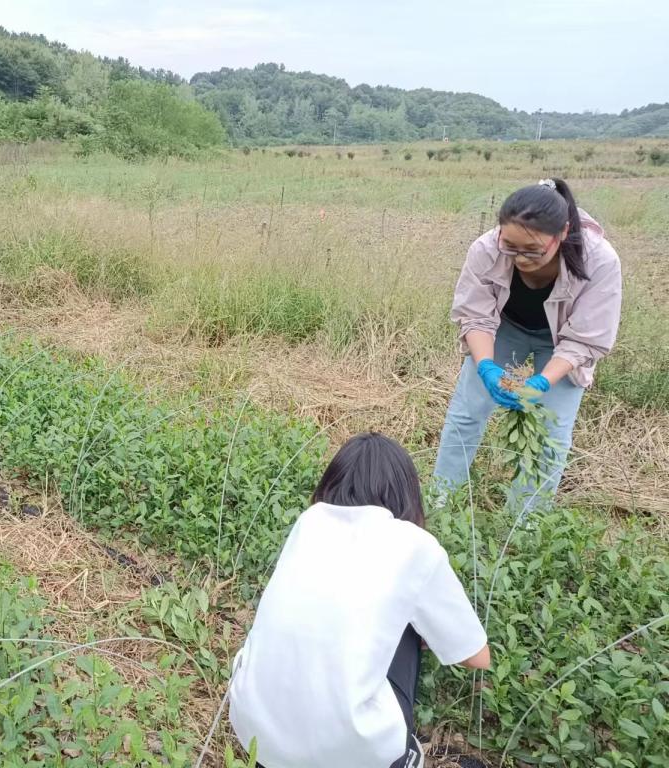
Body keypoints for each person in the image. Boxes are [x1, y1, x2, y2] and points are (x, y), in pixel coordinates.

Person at [229, 432, 490, 768]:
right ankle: (402, 756)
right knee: (408, 624)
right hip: (351, 751)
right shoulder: (414, 545)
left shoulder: (309, 523)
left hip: (256, 733)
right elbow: (476, 657)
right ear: (406, 493)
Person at [434, 178, 622, 511]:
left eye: (533, 250)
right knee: (467, 412)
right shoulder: (486, 248)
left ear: (563, 233)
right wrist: (486, 366)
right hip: (506, 328)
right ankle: (441, 501)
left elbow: (585, 339)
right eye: (510, 246)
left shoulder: (599, 260)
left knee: (551, 430)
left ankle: (525, 521)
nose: (520, 258)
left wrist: (543, 381)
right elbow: (475, 316)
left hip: (563, 342)